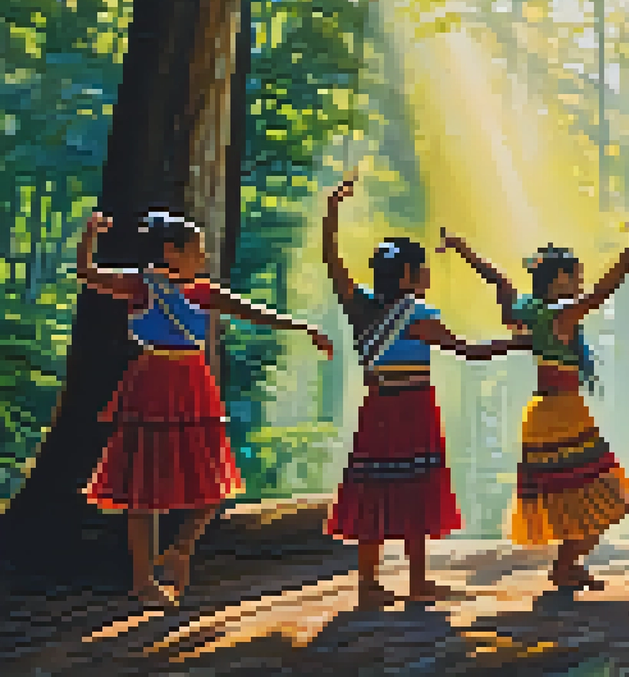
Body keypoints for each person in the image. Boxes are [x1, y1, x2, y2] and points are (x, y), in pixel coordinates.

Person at [80, 209, 334, 608]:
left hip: (193, 385)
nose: (203, 258)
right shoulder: (140, 285)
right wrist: (90, 233)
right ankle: (142, 581)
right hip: (153, 383)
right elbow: (89, 273)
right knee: (142, 491)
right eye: (197, 250)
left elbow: (252, 311)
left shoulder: (202, 291)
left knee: (213, 482)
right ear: (171, 251)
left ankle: (180, 549)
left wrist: (304, 328)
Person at [322, 178, 525, 609]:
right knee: (415, 485)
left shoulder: (360, 307)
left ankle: (369, 583)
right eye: (423, 269)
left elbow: (332, 263)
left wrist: (331, 213)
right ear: (411, 275)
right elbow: (471, 350)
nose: (429, 275)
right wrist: (522, 342)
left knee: (373, 484)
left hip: (377, 409)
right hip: (413, 410)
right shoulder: (419, 317)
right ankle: (417, 579)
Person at [495, 225, 629, 590]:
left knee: (581, 498)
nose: (581, 281)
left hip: (554, 412)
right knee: (596, 496)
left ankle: (568, 566)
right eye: (576, 275)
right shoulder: (559, 316)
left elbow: (499, 281)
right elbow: (602, 292)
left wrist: (464, 252)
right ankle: (566, 566)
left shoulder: (534, 315)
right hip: (560, 416)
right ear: (559, 279)